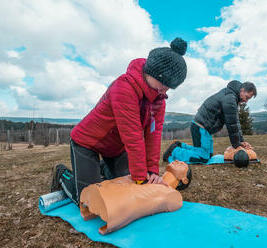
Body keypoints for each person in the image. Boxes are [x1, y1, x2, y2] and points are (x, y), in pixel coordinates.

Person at [50, 38, 188, 205]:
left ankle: (100, 167)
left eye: (170, 87)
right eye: (164, 83)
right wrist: (140, 178)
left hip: (116, 148)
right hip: (87, 143)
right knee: (89, 202)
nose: (165, 90)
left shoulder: (159, 100)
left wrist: (151, 171)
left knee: (126, 188)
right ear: (151, 72)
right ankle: (63, 174)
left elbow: (153, 135)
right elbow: (133, 135)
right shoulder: (124, 87)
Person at [163, 80, 257, 164]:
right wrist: (237, 145)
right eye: (247, 97)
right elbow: (231, 124)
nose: (246, 101)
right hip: (200, 127)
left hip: (202, 128)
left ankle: (179, 145)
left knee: (207, 154)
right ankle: (174, 152)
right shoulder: (230, 99)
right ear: (242, 90)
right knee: (204, 157)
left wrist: (242, 141)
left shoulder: (231, 96)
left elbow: (235, 122)